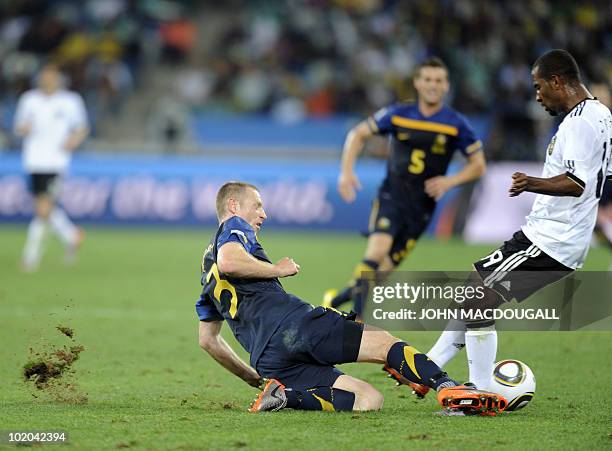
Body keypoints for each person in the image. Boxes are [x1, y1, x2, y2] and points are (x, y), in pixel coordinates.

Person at [195, 181, 506, 415]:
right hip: (295, 327)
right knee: (385, 344)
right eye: (257, 205)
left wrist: (254, 378)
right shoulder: (234, 227)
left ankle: (283, 397)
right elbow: (230, 261)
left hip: (268, 360)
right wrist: (277, 268)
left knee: (368, 400)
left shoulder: (204, 273)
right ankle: (449, 387)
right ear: (234, 205)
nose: (263, 213)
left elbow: (208, 340)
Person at [406, 49, 612, 398]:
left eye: (538, 86)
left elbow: (578, 183)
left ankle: (480, 389)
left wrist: (531, 183)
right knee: (475, 291)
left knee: (478, 299)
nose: (536, 95)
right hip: (551, 235)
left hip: (551, 238)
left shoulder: (580, 122)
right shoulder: (600, 114)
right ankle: (426, 369)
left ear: (558, 81)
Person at [323, 57, 486, 316]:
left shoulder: (456, 124)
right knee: (376, 252)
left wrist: (450, 181)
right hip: (393, 195)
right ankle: (356, 320)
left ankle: (336, 299)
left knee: (383, 271)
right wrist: (346, 173)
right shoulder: (398, 114)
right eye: (428, 79)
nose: (433, 85)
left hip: (422, 206)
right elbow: (357, 134)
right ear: (417, 83)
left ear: (446, 86)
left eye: (439, 80)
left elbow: (478, 165)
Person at [15, 63, 89, 272]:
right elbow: (20, 126)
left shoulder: (70, 101)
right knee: (44, 208)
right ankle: (72, 235)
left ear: (58, 78)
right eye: (44, 76)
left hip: (57, 161)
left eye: (51, 76)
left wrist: (74, 140)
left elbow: (82, 127)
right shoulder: (29, 99)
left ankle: (30, 258)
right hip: (33, 160)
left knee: (43, 209)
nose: (47, 79)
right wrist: (24, 128)